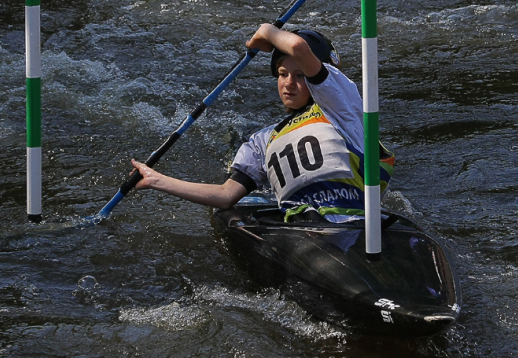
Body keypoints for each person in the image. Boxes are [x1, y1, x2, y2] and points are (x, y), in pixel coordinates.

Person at [130, 24, 394, 221]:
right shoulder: (263, 140)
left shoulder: (341, 109)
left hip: (357, 227)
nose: (289, 83)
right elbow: (225, 196)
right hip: (304, 231)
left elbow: (298, 47)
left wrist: (267, 32)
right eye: (282, 73)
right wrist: (156, 180)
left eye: (300, 75)